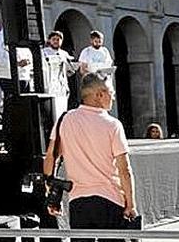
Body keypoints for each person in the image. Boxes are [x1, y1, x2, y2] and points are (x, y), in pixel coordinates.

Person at [43, 73, 137, 242]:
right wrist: (130, 204)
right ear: (99, 95)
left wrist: (50, 192)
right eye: (111, 92)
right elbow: (125, 170)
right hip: (110, 199)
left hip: (78, 201)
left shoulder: (64, 120)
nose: (113, 97)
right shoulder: (113, 125)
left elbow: (51, 156)